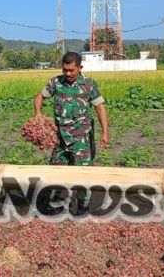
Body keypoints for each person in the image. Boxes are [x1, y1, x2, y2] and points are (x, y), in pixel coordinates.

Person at [33, 52, 109, 213]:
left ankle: (82, 208)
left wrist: (105, 133)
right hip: (60, 138)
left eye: (71, 70)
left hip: (81, 139)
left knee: (83, 175)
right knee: (55, 172)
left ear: (80, 67)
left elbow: (100, 108)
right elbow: (39, 96)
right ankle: (54, 205)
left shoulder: (89, 84)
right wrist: (38, 112)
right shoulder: (56, 82)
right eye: (65, 70)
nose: (68, 73)